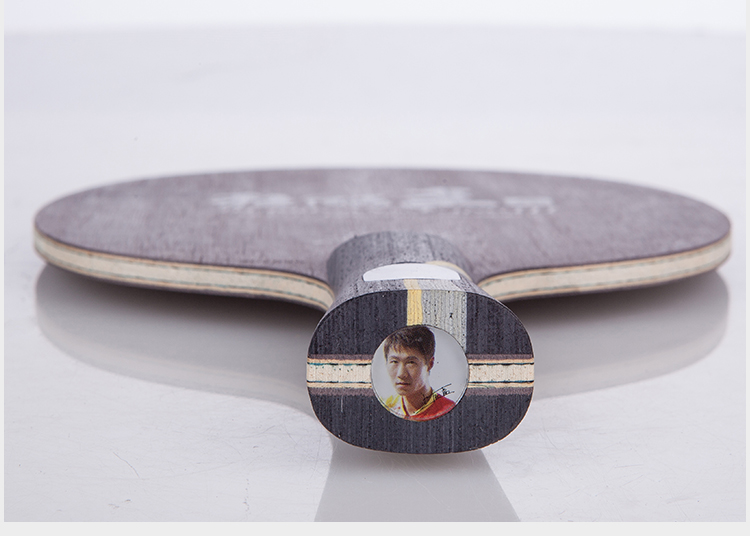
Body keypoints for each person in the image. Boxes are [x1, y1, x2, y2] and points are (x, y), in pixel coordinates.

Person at [382, 326, 455, 421]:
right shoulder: (386, 406)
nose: (401, 374)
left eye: (411, 362)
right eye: (394, 362)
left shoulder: (448, 409)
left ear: (430, 364)